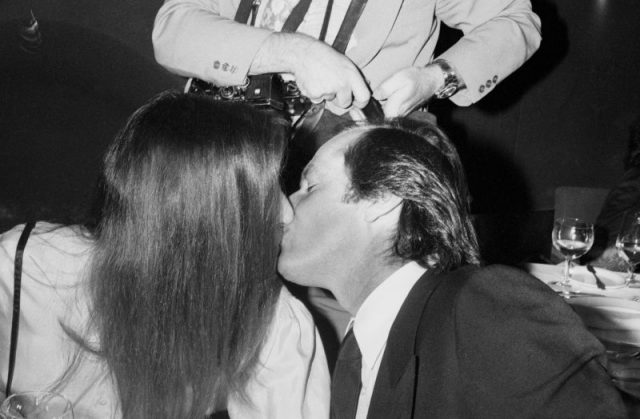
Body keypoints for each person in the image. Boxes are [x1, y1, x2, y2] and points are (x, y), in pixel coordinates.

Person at [0, 92, 329, 418]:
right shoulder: (22, 264)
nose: (287, 214)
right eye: (266, 193)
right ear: (198, 214)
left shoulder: (272, 321)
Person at [277, 121, 628, 418]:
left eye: (309, 187)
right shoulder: (361, 345)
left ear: (381, 199)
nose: (284, 208)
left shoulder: (486, 309)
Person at [152, 0, 541, 124]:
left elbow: (516, 22)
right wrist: (292, 51)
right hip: (218, 158)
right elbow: (173, 33)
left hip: (346, 169)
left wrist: (435, 78)